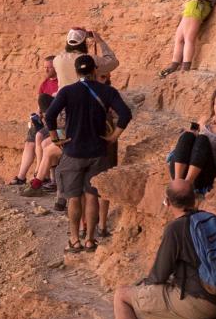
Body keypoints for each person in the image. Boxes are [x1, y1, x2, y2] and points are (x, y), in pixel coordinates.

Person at [99, 180, 216, 319]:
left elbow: (159, 275)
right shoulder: (211, 219)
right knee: (149, 300)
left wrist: (143, 284)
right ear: (195, 199)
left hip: (197, 302)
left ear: (167, 202)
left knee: (123, 296)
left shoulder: (176, 228)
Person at [42, 53, 132, 253]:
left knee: (74, 198)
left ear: (76, 72)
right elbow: (126, 114)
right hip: (98, 151)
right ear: (94, 71)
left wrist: (56, 138)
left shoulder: (67, 91)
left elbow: (50, 115)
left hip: (73, 151)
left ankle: (74, 240)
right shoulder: (107, 91)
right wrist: (113, 137)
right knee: (92, 197)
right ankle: (90, 239)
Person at [166, 87, 216, 193]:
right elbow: (186, 141)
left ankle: (187, 184)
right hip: (183, 168)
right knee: (188, 135)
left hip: (203, 174)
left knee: (202, 140)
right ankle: (177, 183)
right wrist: (201, 126)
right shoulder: (205, 120)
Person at [12, 56, 62, 193]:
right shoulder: (44, 83)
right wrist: (36, 116)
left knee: (41, 138)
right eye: (45, 67)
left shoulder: (62, 83)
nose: (46, 69)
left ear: (56, 68)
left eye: (49, 67)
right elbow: (40, 106)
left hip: (55, 124)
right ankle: (22, 176)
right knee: (30, 142)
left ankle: (40, 175)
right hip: (47, 120)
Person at [51, 28, 118, 89]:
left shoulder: (57, 60)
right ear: (84, 44)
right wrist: (100, 41)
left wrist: (74, 34)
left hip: (64, 99)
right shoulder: (89, 60)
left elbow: (67, 50)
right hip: (85, 99)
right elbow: (113, 61)